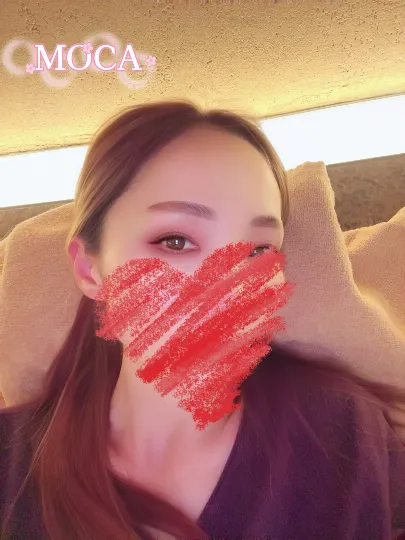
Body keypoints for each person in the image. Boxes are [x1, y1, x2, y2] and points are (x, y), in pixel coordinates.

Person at [1, 99, 405, 540]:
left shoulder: (344, 434)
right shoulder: (11, 463)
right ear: (89, 269)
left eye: (259, 250)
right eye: (175, 240)